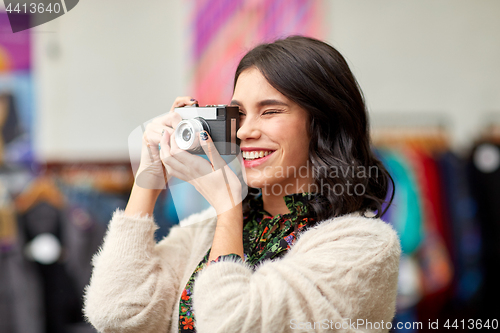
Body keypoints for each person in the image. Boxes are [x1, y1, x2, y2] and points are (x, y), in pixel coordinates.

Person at [83, 36, 401, 333]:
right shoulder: (205, 230)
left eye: (270, 111)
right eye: (240, 114)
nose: (245, 131)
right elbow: (116, 312)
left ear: (323, 123)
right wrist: (148, 179)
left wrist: (228, 206)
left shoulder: (363, 245)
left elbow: (232, 323)